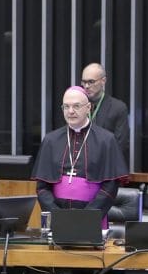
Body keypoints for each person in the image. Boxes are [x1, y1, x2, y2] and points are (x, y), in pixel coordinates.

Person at [31, 86, 129, 228]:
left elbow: (110, 187)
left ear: (88, 107)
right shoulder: (51, 140)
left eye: (76, 106)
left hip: (93, 218)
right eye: (66, 106)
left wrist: (87, 218)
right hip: (57, 220)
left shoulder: (106, 140)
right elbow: (42, 188)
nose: (71, 111)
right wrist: (57, 216)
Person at [80, 63, 130, 160]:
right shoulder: (77, 107)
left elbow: (120, 146)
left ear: (103, 81)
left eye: (91, 81)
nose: (86, 86)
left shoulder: (118, 108)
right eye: (84, 82)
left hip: (107, 166)